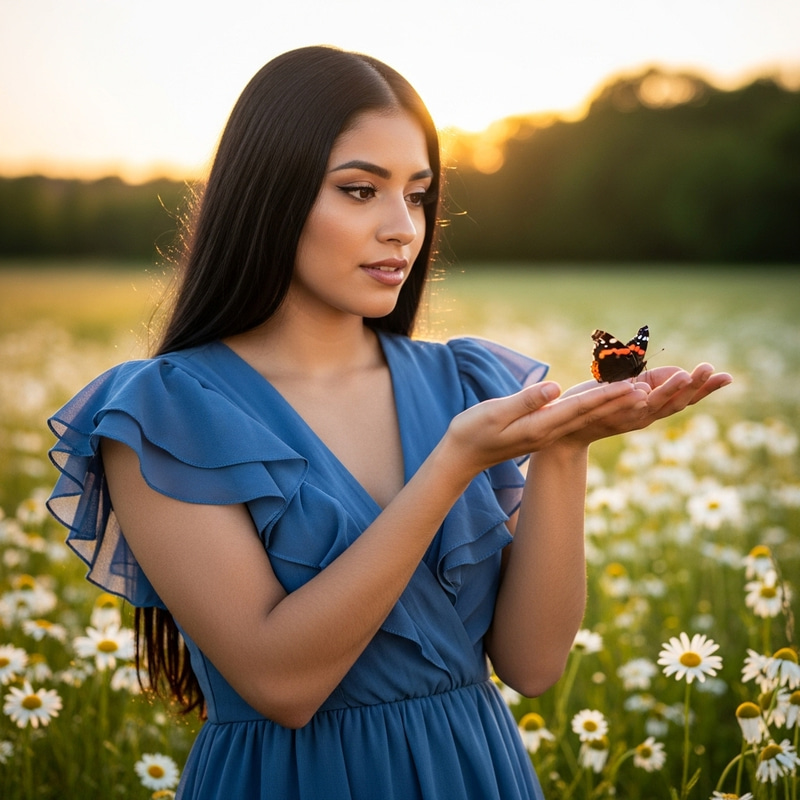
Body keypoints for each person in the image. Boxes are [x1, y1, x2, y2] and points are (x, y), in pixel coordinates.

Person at [46, 45, 731, 799]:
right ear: (269, 195)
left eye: (418, 194)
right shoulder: (164, 413)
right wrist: (450, 466)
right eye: (361, 190)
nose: (403, 228)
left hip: (481, 772)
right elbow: (282, 683)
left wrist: (566, 450)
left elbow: (533, 667)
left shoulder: (462, 381)